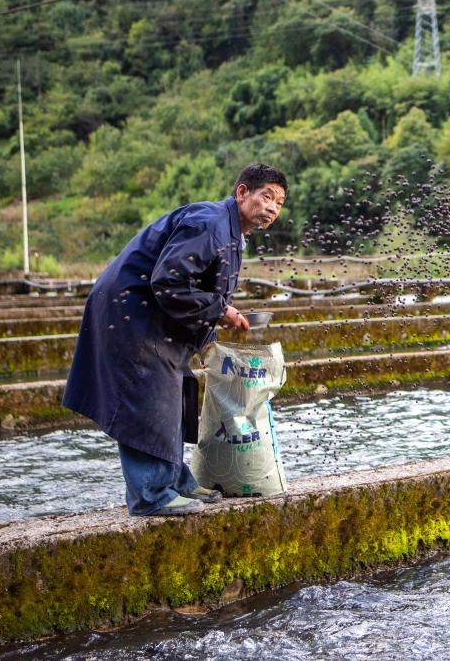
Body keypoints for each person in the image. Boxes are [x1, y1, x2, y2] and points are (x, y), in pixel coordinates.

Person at [62, 163, 287, 516]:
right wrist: (222, 313)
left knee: (175, 388)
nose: (273, 208)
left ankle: (174, 478)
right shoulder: (210, 224)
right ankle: (150, 495)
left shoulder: (232, 234)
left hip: (157, 314)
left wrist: (205, 337)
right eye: (267, 197)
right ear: (242, 193)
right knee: (147, 393)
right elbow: (169, 281)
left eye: (279, 203)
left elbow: (203, 290)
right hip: (130, 311)